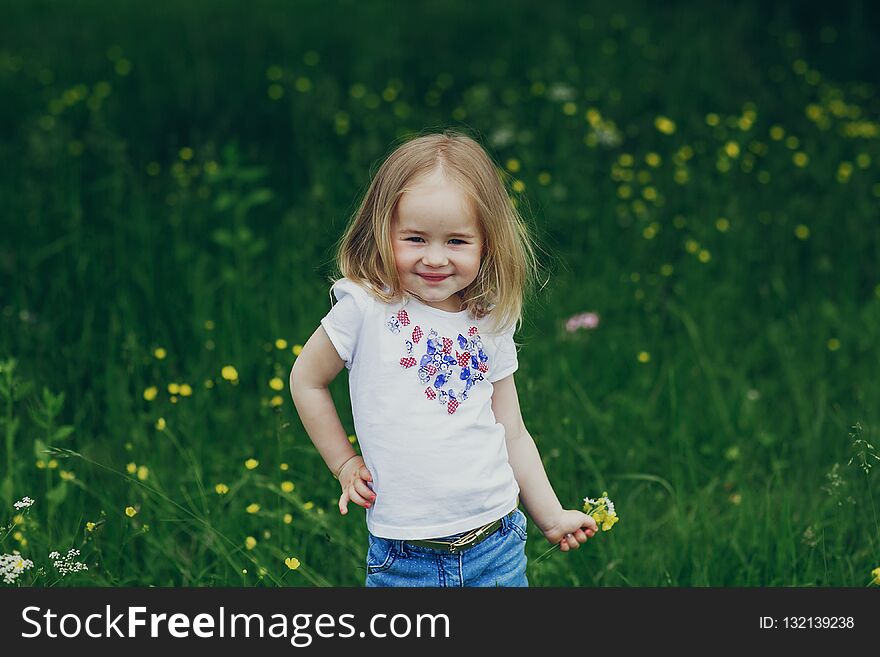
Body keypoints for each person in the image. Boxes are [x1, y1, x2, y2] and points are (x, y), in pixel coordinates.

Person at [290, 129, 597, 587]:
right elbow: (306, 380)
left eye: (456, 241)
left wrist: (550, 517)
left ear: (486, 243)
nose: (435, 258)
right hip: (405, 558)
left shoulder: (488, 319)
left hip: (498, 544)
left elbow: (512, 431)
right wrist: (344, 463)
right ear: (383, 233)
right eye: (415, 239)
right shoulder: (367, 308)